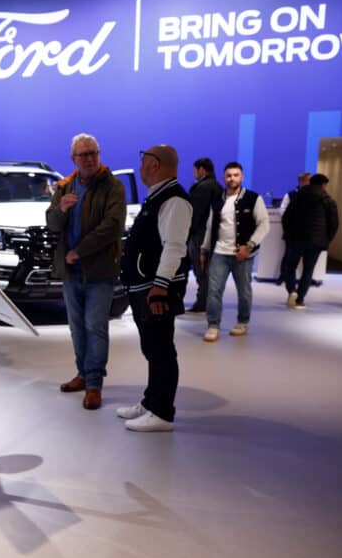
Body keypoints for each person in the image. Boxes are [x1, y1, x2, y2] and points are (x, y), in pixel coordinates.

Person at [45, 133, 126, 410]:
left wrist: (80, 250)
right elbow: (52, 224)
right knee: (77, 328)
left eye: (94, 153)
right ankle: (82, 373)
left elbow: (112, 226)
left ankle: (94, 384)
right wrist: (61, 211)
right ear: (73, 159)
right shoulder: (65, 186)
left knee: (95, 327)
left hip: (99, 270)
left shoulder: (112, 186)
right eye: (84, 155)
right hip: (71, 271)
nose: (90, 158)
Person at [117, 145, 192, 432]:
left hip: (155, 289)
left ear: (155, 165)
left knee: (161, 348)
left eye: (143, 163)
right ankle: (150, 402)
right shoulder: (158, 197)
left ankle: (162, 412)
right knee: (152, 347)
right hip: (144, 285)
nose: (139, 169)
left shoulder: (173, 200)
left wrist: (160, 287)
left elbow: (174, 247)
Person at [202, 161, 269, 342]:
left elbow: (264, 224)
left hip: (243, 254)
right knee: (214, 291)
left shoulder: (254, 198)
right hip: (219, 252)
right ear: (224, 178)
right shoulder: (217, 201)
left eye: (236, 175)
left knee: (244, 291)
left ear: (242, 177)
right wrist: (204, 249)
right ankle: (213, 325)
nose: (232, 178)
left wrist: (249, 245)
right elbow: (210, 226)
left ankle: (242, 322)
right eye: (229, 175)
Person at [280, 173, 339, 309]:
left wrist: (288, 234)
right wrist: (326, 240)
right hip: (316, 242)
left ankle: (291, 291)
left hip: (295, 238)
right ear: (324, 185)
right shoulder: (328, 200)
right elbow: (334, 223)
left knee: (290, 266)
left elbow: (286, 218)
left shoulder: (296, 197)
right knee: (308, 270)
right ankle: (300, 299)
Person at [186, 157, 221, 313]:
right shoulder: (218, 187)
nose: (194, 173)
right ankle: (206, 302)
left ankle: (202, 303)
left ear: (201, 169)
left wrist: (187, 233)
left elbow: (195, 214)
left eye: (195, 170)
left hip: (199, 235)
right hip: (213, 235)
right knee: (207, 270)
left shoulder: (202, 187)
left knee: (201, 271)